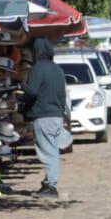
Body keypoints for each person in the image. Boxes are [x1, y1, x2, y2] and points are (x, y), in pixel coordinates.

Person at [22, 36, 68, 197]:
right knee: (53, 151)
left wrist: (22, 89)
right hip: (56, 116)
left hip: (43, 116)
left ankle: (51, 187)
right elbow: (63, 95)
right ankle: (48, 183)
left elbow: (32, 91)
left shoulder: (38, 68)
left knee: (47, 152)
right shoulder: (57, 69)